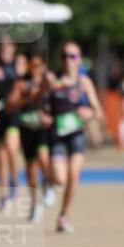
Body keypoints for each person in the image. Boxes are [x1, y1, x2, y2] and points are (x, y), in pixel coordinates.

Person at [43, 41, 104, 233]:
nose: (68, 60)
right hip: (57, 133)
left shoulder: (84, 82)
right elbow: (38, 103)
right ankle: (49, 181)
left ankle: (63, 216)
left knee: (73, 175)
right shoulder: (52, 79)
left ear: (79, 59)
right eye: (65, 56)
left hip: (76, 133)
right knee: (60, 179)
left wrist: (90, 113)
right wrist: (43, 115)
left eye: (73, 56)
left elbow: (99, 112)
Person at [5, 51, 54, 222]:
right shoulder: (21, 84)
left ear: (44, 66)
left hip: (43, 129)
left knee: (44, 159)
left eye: (38, 65)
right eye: (31, 65)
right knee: (31, 169)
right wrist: (26, 98)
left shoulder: (48, 83)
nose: (35, 68)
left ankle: (48, 186)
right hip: (27, 129)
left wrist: (50, 116)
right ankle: (35, 203)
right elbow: (10, 103)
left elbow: (58, 103)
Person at [0, 36, 27, 211]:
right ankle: (3, 194)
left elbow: (25, 81)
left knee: (12, 148)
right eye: (1, 45)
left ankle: (15, 185)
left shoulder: (19, 61)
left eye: (7, 45)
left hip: (13, 111)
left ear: (14, 47)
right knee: (0, 157)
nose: (4, 48)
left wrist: (18, 75)